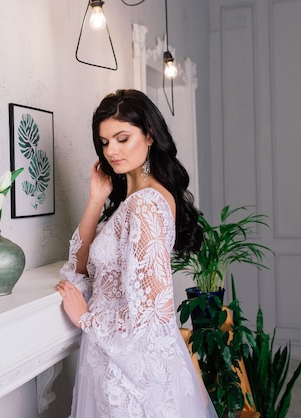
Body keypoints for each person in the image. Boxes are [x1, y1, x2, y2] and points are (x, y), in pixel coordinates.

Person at [56, 89, 218, 418]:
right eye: (104, 142)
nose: (111, 151)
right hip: (116, 360)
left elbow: (150, 313)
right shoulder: (134, 201)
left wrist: (85, 318)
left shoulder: (145, 204)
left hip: (131, 373)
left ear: (150, 136)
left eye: (122, 138)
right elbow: (81, 267)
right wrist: (96, 199)